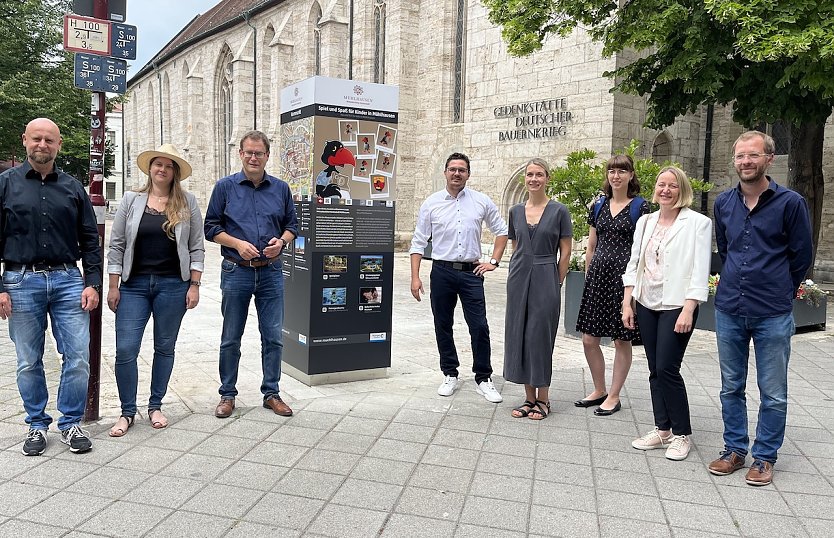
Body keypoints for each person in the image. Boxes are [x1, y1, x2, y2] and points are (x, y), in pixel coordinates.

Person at [708, 131, 812, 486]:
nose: (745, 162)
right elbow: (725, 248)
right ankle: (735, 450)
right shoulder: (723, 203)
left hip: (772, 311)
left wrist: (781, 288)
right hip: (730, 308)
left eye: (753, 156)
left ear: (769, 158)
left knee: (773, 391)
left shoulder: (791, 203)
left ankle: (765, 456)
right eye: (740, 157)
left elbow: (802, 256)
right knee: (730, 386)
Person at [0, 118, 102, 455]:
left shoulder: (73, 188)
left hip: (67, 280)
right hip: (20, 280)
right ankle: (36, 424)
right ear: (25, 140)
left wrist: (93, 283)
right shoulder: (5, 185)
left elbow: (89, 239)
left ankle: (70, 423)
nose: (42, 145)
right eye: (37, 139)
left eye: (49, 140)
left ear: (58, 145)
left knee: (77, 356)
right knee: (29, 360)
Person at [106, 144, 205, 436]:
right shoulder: (131, 200)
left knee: (164, 347)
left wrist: (195, 285)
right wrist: (113, 285)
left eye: (168, 165)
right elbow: (117, 245)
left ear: (175, 172)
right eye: (157, 164)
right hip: (133, 285)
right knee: (125, 350)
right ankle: (127, 411)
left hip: (173, 285)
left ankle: (155, 405)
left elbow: (197, 246)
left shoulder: (187, 202)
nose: (162, 169)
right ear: (150, 168)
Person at [204, 130, 298, 419]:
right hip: (236, 271)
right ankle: (227, 394)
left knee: (273, 337)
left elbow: (293, 226)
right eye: (249, 152)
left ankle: (271, 393)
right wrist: (237, 243)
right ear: (240, 154)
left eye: (259, 153)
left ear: (267, 155)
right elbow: (211, 228)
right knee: (231, 337)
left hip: (270, 271)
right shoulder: (224, 187)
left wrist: (281, 242)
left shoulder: (281, 189)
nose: (254, 157)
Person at [622, 166, 711, 461]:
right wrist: (628, 301)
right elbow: (634, 263)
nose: (666, 190)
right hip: (647, 302)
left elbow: (700, 270)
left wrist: (690, 307)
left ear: (682, 190)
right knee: (653, 369)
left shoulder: (698, 223)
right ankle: (663, 430)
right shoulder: (646, 221)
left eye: (673, 185)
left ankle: (682, 433)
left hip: (677, 305)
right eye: (662, 184)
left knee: (667, 368)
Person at [410, 152, 508, 403]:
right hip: (441, 271)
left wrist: (494, 262)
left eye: (462, 170)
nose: (457, 173)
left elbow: (501, 231)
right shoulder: (431, 203)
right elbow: (418, 241)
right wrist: (415, 277)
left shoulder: (480, 201)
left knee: (479, 326)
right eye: (452, 169)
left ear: (468, 174)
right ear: (445, 172)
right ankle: (450, 373)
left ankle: (483, 378)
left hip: (471, 273)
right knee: (443, 324)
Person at [575, 155, 649, 415]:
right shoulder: (598, 205)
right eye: (612, 171)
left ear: (631, 175)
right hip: (598, 278)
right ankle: (599, 389)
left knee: (620, 340)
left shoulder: (641, 208)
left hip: (624, 280)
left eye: (622, 171)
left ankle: (614, 395)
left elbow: (643, 249)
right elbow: (592, 245)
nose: (616, 176)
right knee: (588, 339)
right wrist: (587, 275)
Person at [504, 159, 572, 419]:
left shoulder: (559, 211)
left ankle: (544, 398)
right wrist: (515, 272)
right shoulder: (515, 211)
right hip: (519, 275)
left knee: (539, 336)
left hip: (546, 274)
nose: (534, 179)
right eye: (530, 174)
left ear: (547, 178)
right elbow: (515, 246)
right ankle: (528, 397)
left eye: (539, 174)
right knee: (520, 333)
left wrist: (557, 280)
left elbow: (565, 251)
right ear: (525, 179)